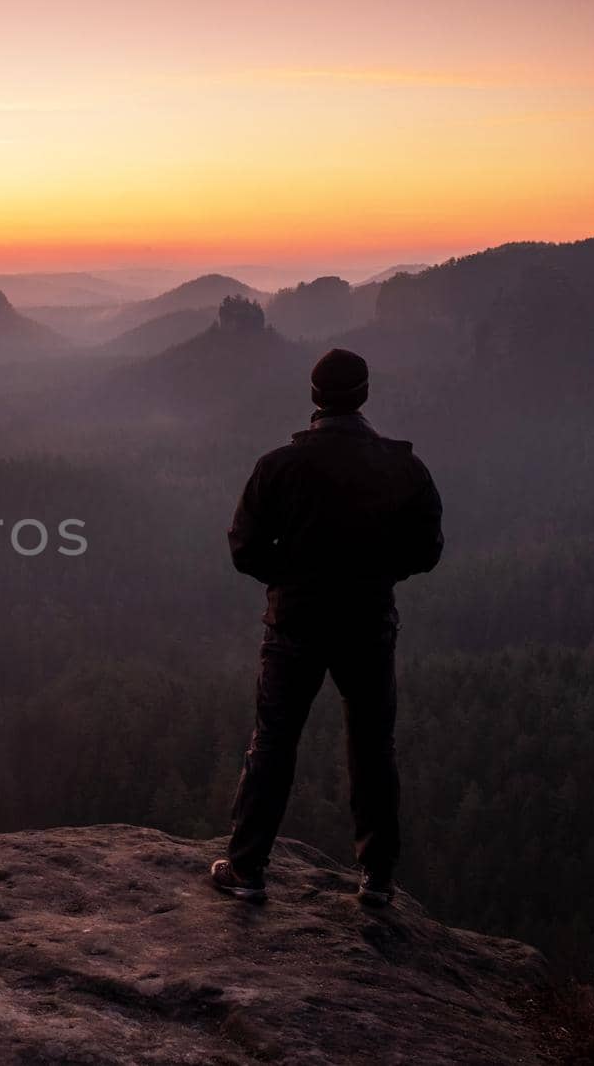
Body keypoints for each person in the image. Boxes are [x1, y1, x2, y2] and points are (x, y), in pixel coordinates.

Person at [210, 348, 443, 906]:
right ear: (363, 395)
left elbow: (243, 548)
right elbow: (427, 549)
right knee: (372, 745)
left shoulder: (278, 466)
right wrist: (379, 574)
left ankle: (246, 871)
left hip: (295, 623)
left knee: (273, 742)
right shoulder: (402, 466)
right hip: (368, 622)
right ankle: (378, 879)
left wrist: (288, 579)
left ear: (314, 397)